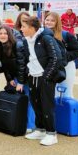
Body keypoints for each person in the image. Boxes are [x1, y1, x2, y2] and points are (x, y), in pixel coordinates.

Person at [21, 16, 62, 146]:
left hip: (45, 77)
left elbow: (56, 58)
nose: (21, 29)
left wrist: (47, 76)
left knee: (47, 106)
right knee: (36, 103)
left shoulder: (46, 38)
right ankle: (40, 129)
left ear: (32, 28)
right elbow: (28, 59)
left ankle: (51, 133)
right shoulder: (26, 40)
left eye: (24, 26)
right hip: (32, 76)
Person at [0, 25, 35, 133]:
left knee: (28, 100)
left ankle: (30, 125)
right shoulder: (0, 46)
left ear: (10, 34)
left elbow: (22, 65)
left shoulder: (18, 45)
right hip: (15, 76)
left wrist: (20, 81)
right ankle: (17, 121)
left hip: (25, 75)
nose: (3, 35)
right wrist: (10, 79)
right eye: (0, 33)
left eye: (5, 33)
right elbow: (5, 66)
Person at [45, 12, 78, 98]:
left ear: (57, 22)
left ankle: (67, 110)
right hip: (50, 67)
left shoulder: (66, 35)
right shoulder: (42, 34)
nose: (49, 22)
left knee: (66, 93)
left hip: (66, 67)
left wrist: (63, 58)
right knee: (52, 94)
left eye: (52, 20)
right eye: (47, 20)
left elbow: (77, 51)